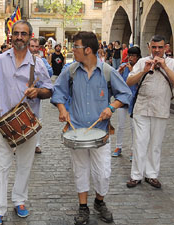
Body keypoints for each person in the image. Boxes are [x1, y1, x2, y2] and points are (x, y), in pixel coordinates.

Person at [51, 31, 132, 224]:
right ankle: (83, 207)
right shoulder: (70, 71)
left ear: (87, 50)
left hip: (101, 133)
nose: (73, 51)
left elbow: (125, 94)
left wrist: (111, 107)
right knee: (80, 170)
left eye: (76, 47)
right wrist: (62, 109)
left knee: (103, 173)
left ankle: (99, 201)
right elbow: (58, 92)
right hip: (77, 132)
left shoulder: (107, 72)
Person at [0, 20, 53, 225]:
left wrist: (38, 91)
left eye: (24, 34)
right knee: (2, 166)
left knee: (24, 165)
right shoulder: (0, 60)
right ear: (11, 36)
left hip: (28, 123)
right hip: (5, 123)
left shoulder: (37, 63)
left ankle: (19, 200)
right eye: (16, 33)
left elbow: (49, 90)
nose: (19, 37)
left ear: (30, 37)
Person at [126, 35, 174, 188]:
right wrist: (143, 71)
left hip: (161, 108)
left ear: (166, 48)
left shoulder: (173, 63)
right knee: (139, 142)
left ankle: (151, 174)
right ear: (149, 47)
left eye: (160, 47)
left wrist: (164, 67)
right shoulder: (142, 62)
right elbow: (129, 82)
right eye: (154, 47)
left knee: (155, 144)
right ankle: (136, 175)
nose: (157, 50)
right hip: (142, 107)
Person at [112, 46, 141, 161]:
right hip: (123, 99)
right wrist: (119, 72)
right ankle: (118, 147)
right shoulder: (123, 66)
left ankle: (134, 150)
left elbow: (139, 83)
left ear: (138, 57)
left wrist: (133, 70)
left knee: (134, 127)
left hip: (135, 100)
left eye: (133, 56)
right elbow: (116, 82)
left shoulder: (140, 68)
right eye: (129, 56)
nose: (131, 58)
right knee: (120, 125)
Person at [28, 37, 53, 154]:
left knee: (36, 119)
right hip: (19, 96)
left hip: (34, 96)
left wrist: (41, 63)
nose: (34, 49)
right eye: (32, 46)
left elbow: (49, 74)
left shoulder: (40, 60)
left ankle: (36, 144)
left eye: (36, 47)